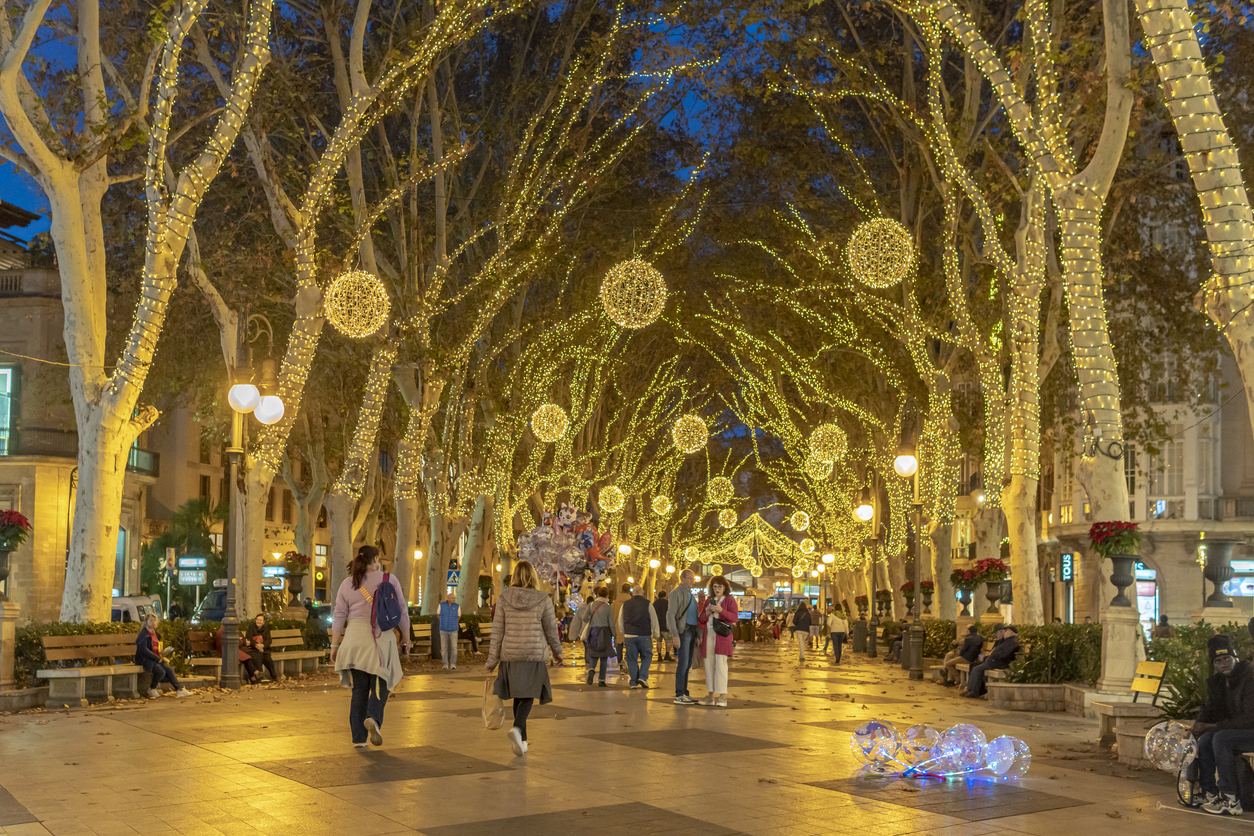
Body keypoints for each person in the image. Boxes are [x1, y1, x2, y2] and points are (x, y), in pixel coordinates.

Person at [331, 545, 410, 748]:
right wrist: (406, 639)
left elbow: (339, 615)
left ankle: (358, 739)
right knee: (381, 682)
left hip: (353, 640)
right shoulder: (389, 580)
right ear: (375, 559)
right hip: (380, 638)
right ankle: (373, 718)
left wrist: (334, 645)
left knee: (359, 690)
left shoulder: (347, 583)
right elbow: (401, 610)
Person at [486, 559, 563, 756]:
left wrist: (492, 660)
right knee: (529, 694)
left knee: (519, 694)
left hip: (510, 656)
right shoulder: (543, 599)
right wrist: (557, 651)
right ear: (533, 576)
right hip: (533, 654)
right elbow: (551, 629)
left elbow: (497, 631)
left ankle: (523, 741)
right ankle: (518, 728)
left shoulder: (503, 599)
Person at [1190, 633, 1254, 815]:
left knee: (1221, 738)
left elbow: (1250, 718)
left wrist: (1211, 727)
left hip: (1250, 729)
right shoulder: (1218, 682)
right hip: (1239, 730)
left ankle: (1231, 799)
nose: (1223, 663)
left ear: (1236, 658)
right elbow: (1209, 708)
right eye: (1218, 661)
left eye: (1227, 658)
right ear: (1214, 665)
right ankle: (1209, 792)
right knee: (1205, 740)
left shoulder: (1249, 677)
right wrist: (1198, 726)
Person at [697, 575, 738, 706]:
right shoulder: (709, 600)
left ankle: (722, 696)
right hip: (709, 634)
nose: (717, 589)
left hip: (722, 636)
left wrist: (722, 611)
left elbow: (734, 617)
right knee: (709, 664)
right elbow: (701, 619)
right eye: (715, 587)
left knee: (721, 664)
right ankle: (710, 694)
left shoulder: (730, 600)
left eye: (719, 586)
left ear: (725, 587)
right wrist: (707, 611)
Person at [134, 614, 190, 698]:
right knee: (161, 671)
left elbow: (157, 648)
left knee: (169, 669)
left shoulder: (156, 634)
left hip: (156, 658)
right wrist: (156, 658)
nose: (153, 622)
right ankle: (152, 689)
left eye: (154, 620)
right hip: (146, 660)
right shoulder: (144, 634)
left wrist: (163, 653)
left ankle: (179, 690)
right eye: (151, 620)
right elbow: (144, 650)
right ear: (146, 622)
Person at [666, 570, 701, 704]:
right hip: (684, 630)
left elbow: (695, 616)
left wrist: (698, 634)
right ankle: (679, 694)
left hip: (692, 630)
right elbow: (670, 614)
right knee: (683, 662)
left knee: (688, 663)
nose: (692, 580)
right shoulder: (676, 593)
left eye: (693, 578)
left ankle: (685, 692)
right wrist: (675, 634)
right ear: (682, 579)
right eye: (689, 578)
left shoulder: (690, 594)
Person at [617, 586, 661, 688]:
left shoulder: (625, 605)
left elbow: (620, 619)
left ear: (632, 593)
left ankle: (633, 682)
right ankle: (643, 677)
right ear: (642, 593)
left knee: (631, 658)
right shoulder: (648, 604)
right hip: (644, 634)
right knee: (647, 656)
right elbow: (654, 619)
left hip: (629, 635)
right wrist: (656, 634)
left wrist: (624, 632)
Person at [962, 624, 1019, 698]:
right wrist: (986, 657)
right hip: (993, 661)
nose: (1004, 632)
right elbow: (995, 651)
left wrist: (990, 658)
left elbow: (1004, 655)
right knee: (974, 665)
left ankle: (975, 691)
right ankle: (971, 689)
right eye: (1003, 631)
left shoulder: (1011, 642)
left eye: (1006, 631)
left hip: (999, 663)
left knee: (977, 669)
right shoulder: (1006, 641)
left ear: (1012, 632)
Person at [584, 587, 614, 686]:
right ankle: (601, 680)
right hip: (605, 632)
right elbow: (611, 623)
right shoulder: (607, 607)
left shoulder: (591, 605)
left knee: (594, 653)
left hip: (593, 631)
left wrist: (593, 620)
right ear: (607, 595)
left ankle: (592, 669)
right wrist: (615, 634)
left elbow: (584, 618)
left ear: (597, 594)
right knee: (604, 656)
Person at [244, 613, 279, 682]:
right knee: (258, 657)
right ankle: (259, 677)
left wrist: (262, 646)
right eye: (257, 619)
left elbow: (268, 640)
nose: (258, 621)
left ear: (263, 622)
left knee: (268, 659)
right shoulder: (251, 627)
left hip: (264, 649)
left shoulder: (266, 629)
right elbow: (249, 639)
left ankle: (274, 676)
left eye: (260, 620)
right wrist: (257, 646)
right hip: (253, 649)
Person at [568, 595, 594, 667]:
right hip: (593, 631)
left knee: (586, 648)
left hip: (583, 632)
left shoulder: (581, 609)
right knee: (591, 648)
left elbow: (576, 622)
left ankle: (587, 663)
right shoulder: (595, 609)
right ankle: (591, 663)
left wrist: (574, 634)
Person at [439, 592, 461, 670]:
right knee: (444, 648)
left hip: (454, 629)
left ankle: (453, 664)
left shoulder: (457, 606)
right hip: (443, 629)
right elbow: (438, 615)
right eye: (452, 598)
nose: (454, 599)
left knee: (454, 647)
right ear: (448, 598)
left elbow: (459, 617)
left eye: (454, 598)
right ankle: (445, 664)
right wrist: (443, 622)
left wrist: (454, 623)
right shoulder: (441, 605)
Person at [654, 591, 672, 661]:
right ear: (665, 596)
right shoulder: (668, 603)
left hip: (658, 626)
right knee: (668, 641)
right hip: (666, 626)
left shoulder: (655, 604)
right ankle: (667, 655)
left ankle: (659, 656)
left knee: (659, 641)